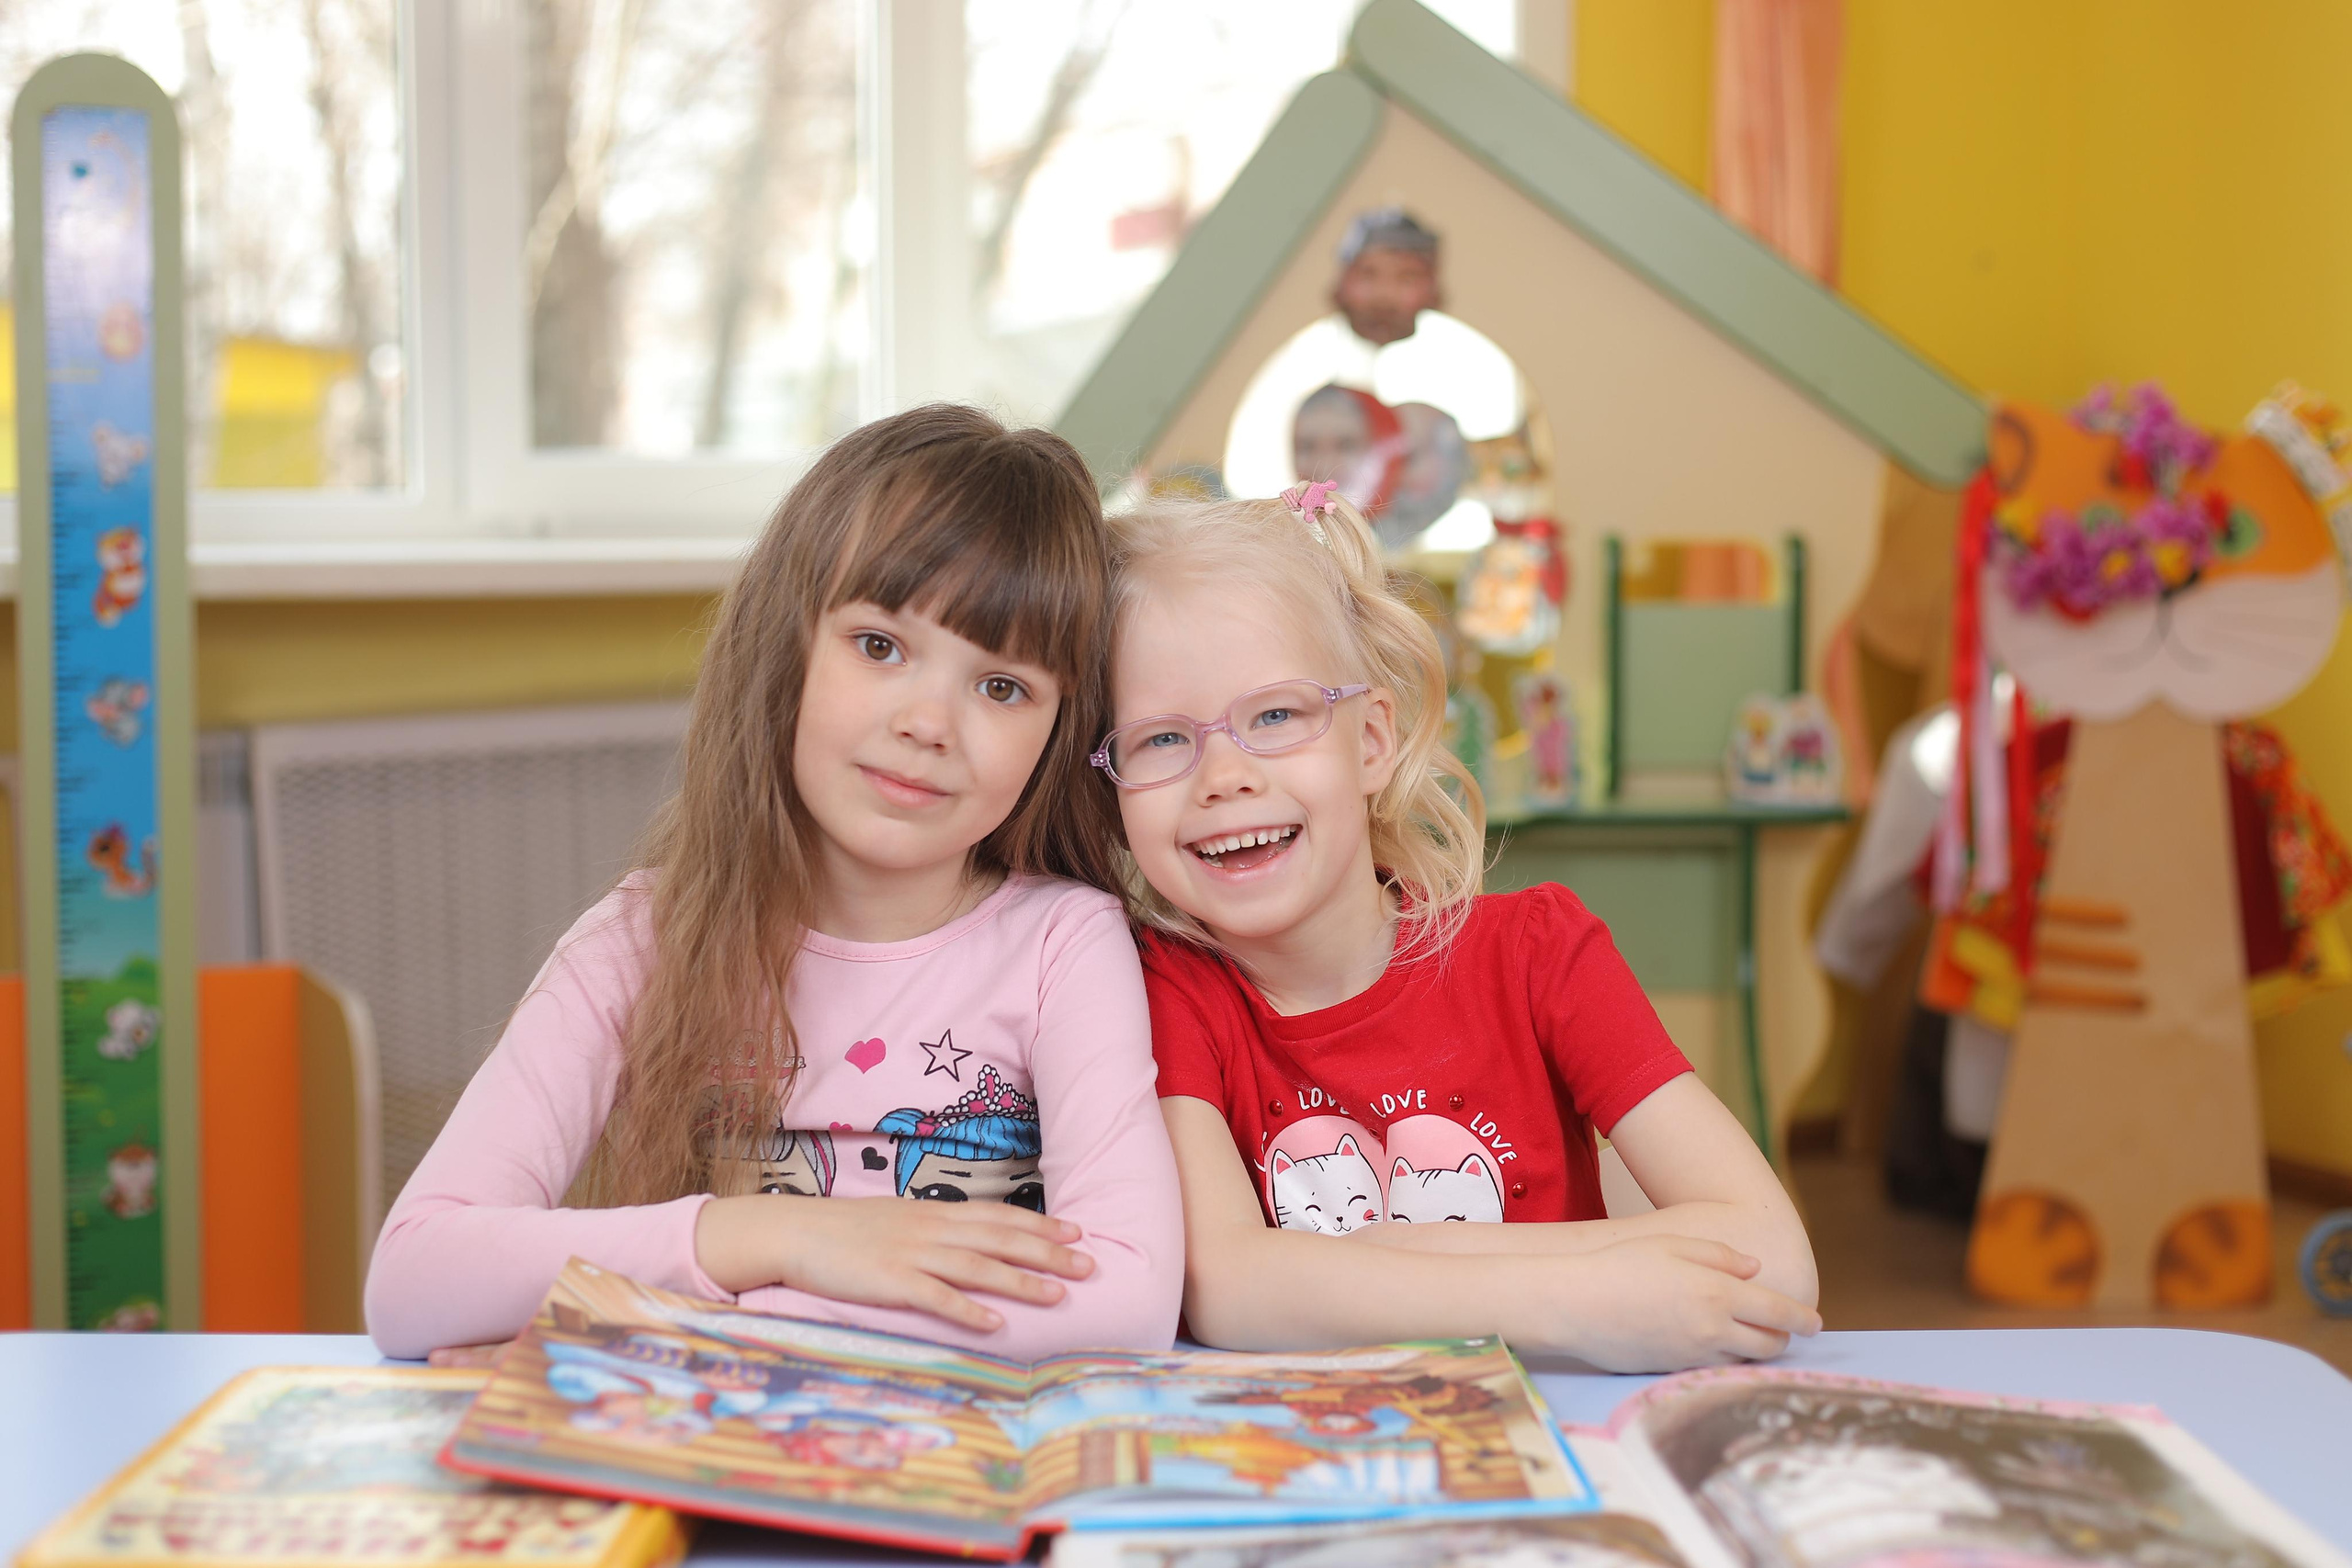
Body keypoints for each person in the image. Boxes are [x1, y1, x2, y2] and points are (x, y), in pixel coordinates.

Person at [366, 406, 1183, 1361]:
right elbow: (414, 1281)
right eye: (880, 646)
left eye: (1002, 687)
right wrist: (779, 1235)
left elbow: (1128, 1303)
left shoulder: (1064, 945)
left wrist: (722, 1317)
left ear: (1057, 729)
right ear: (785, 645)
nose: (928, 722)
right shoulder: (644, 937)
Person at [1094, 481, 1820, 1371]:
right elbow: (1225, 1287)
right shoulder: (1156, 988)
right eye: (1160, 740)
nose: (1224, 775)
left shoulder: (1540, 953)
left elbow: (1776, 1261)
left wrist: (1333, 1276)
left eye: (1276, 715)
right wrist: (1570, 1295)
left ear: (1370, 741)